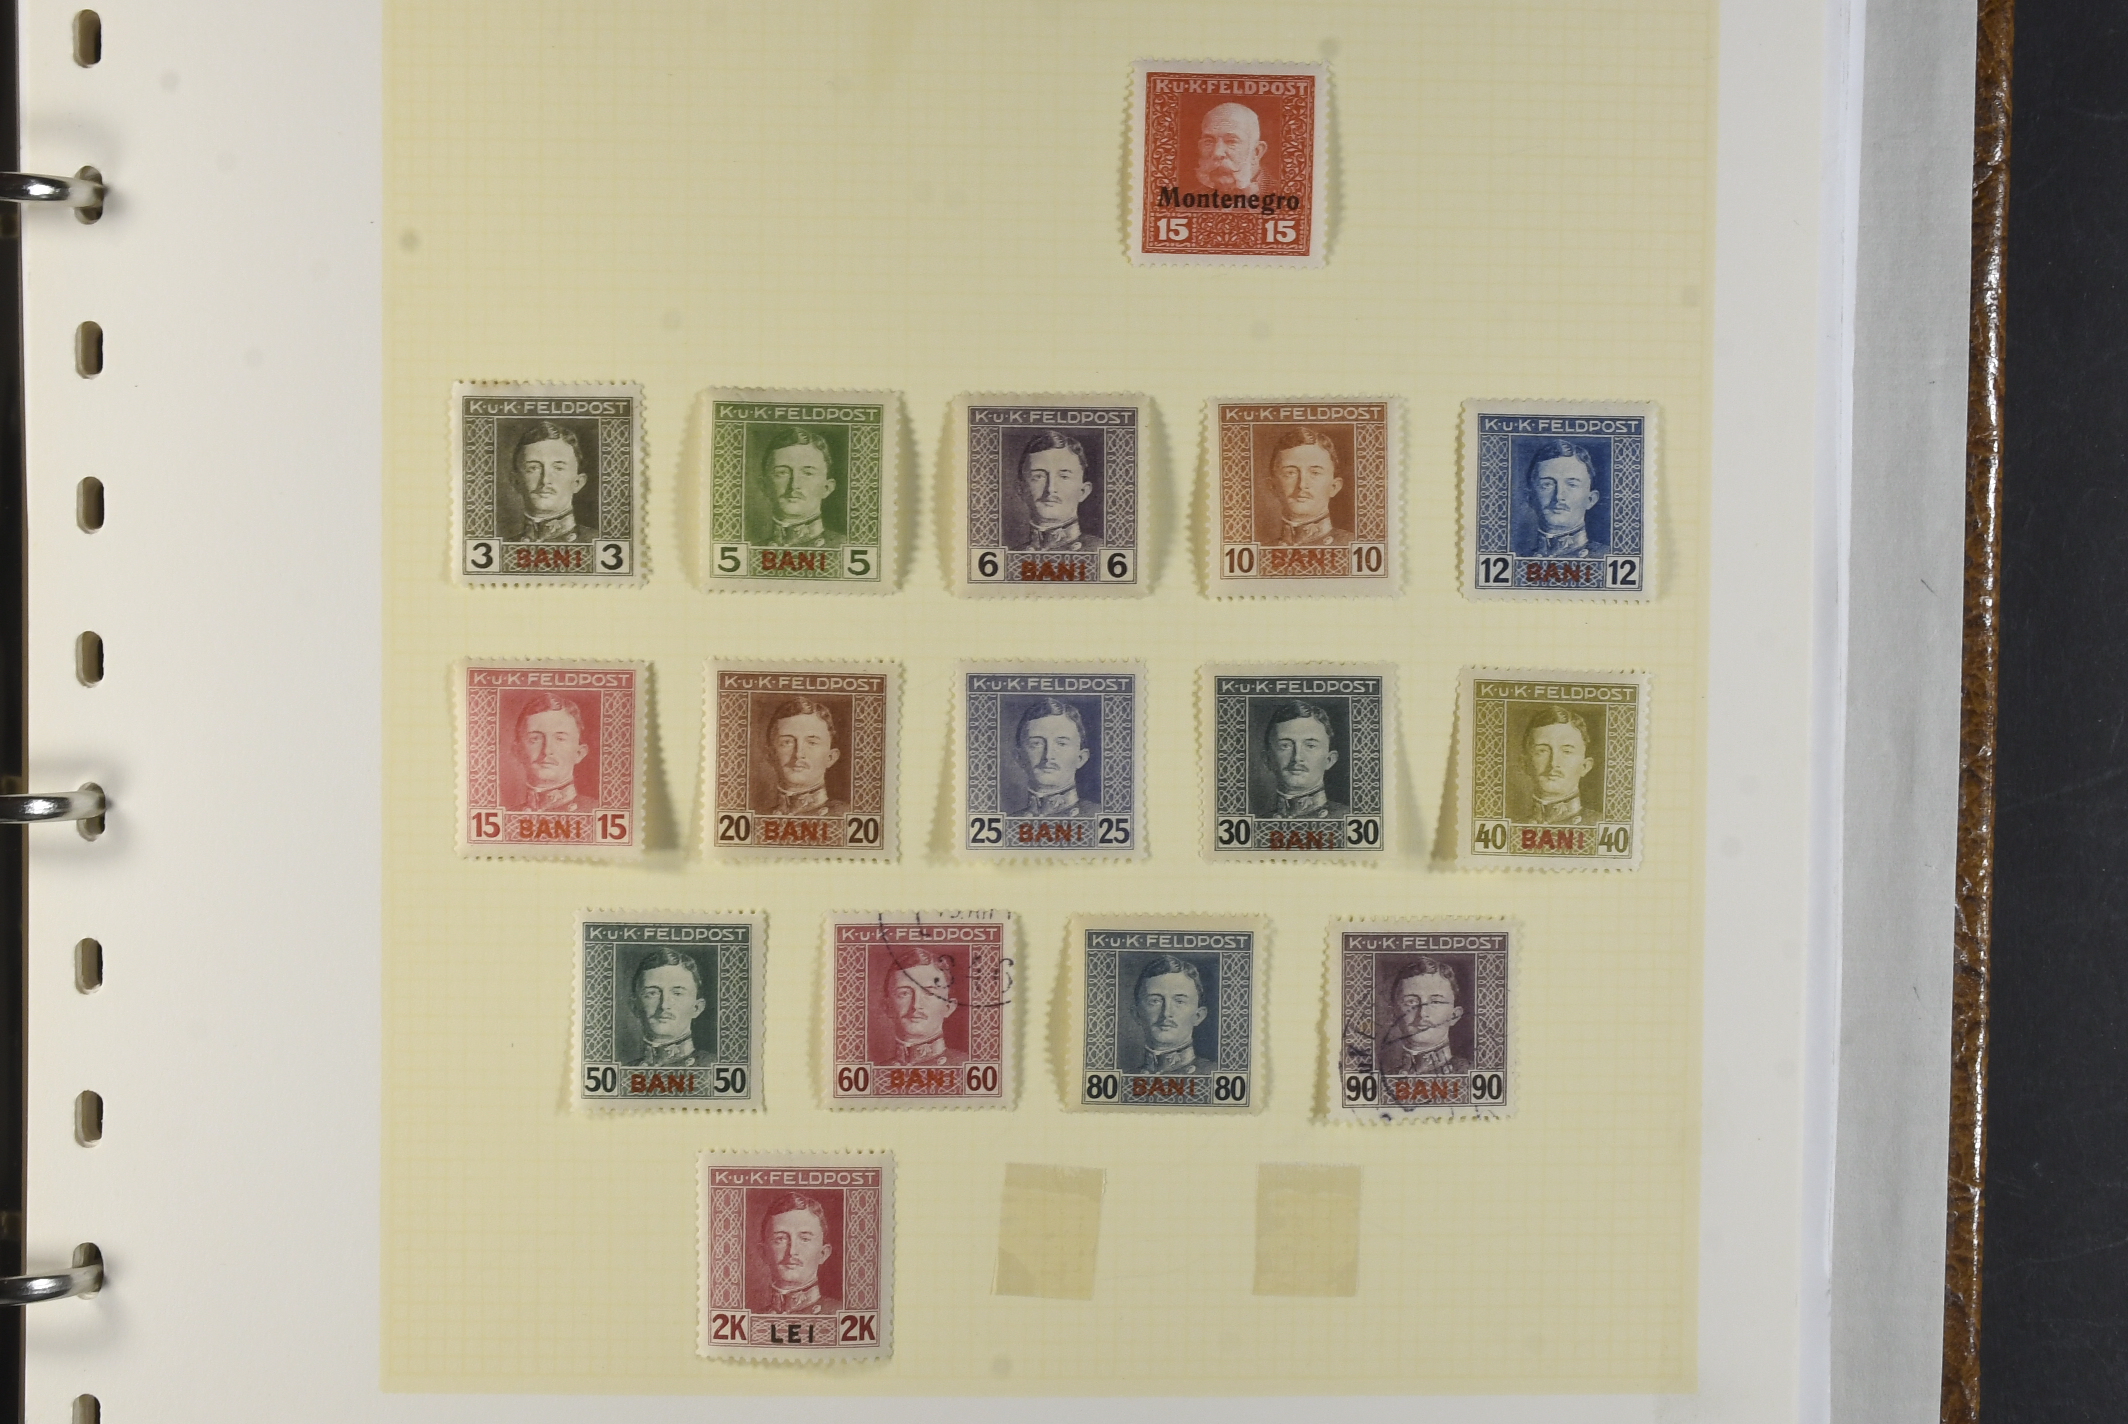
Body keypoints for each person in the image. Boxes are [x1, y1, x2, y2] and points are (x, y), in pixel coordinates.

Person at [747, 1191, 841, 1317]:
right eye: (780, 1239)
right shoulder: (754, 1317)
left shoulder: (840, 1313)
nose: (792, 1251)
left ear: (823, 1253)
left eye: (805, 1239)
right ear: (763, 1253)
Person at [753, 696, 849, 818]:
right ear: (770, 755)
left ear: (830, 757)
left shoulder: (845, 814)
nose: (798, 754)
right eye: (787, 742)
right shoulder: (759, 816)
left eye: (812, 743)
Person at [1376, 957, 1472, 1076]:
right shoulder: (1384, 1077)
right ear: (1393, 1014)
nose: (1422, 1013)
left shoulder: (1469, 1072)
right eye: (1411, 1002)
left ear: (1454, 1016)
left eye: (1435, 1002)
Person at [1514, 439, 1609, 559]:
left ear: (1591, 499)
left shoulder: (1607, 556)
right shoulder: (1519, 558)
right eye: (1547, 484)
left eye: (1572, 485)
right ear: (1530, 498)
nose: (1559, 496)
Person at [1009, 430, 1101, 552]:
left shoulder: (1101, 550)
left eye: (1064, 477)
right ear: (1021, 489)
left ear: (1083, 491)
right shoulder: (1012, 554)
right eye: (1038, 477)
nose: (1050, 489)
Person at [1252, 699, 1346, 820]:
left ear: (1329, 760)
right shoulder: (1258, 822)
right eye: (1285, 746)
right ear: (1267, 759)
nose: (1297, 757)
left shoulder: (1348, 817)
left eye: (1310, 746)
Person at [751, 426, 843, 549]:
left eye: (808, 473)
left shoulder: (844, 546)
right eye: (782, 473)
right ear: (764, 486)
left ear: (827, 488)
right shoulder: (752, 550)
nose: (794, 485)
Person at [1006, 698, 1100, 817]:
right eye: (1036, 743)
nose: (1048, 755)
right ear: (1019, 757)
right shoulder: (1009, 821)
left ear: (1081, 758)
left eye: (1061, 744)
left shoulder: (1099, 815)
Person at [875, 946, 966, 1068]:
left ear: (948, 1007)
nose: (916, 1005)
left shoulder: (966, 1065)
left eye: (929, 993)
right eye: (904, 993)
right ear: (887, 1007)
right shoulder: (877, 1071)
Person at [1261, 427, 1352, 546]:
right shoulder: (1262, 550)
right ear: (1273, 486)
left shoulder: (1352, 544)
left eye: (1315, 473)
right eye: (1290, 473)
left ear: (1334, 487)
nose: (1302, 484)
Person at [508, 421, 594, 544]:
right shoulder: (504, 545)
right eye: (533, 468)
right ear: (516, 481)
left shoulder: (597, 541)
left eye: (558, 468)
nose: (545, 480)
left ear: (578, 482)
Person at [1129, 954, 1217, 1075]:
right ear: (1137, 1014)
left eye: (1179, 1001)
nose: (1166, 1013)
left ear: (1198, 1016)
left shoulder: (1215, 1073)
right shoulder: (1126, 1076)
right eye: (1155, 1001)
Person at [628, 949, 713, 1068]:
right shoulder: (627, 1070)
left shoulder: (713, 1066)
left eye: (677, 993)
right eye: (652, 993)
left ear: (696, 1008)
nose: (664, 1005)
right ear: (634, 1007)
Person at [1513, 706, 1597, 825]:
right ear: (1524, 764)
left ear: (1585, 766)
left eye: (1567, 751)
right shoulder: (1513, 826)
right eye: (1542, 751)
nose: (1553, 763)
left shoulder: (1599, 823)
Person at [509, 691, 590, 813]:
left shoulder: (595, 810)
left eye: (560, 739)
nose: (547, 750)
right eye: (535, 739)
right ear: (518, 751)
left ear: (579, 753)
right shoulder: (510, 815)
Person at [1196, 101, 1267, 195]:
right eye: (1209, 141)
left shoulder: (1283, 193)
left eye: (1231, 141)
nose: (1217, 153)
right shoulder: (1190, 199)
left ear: (1256, 152)